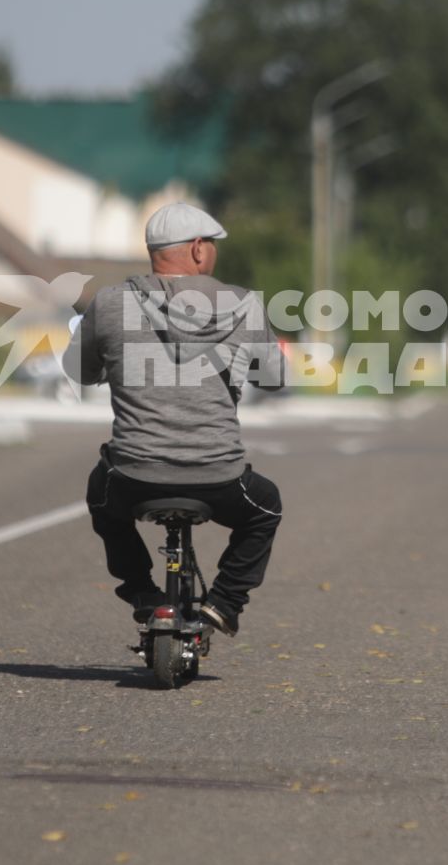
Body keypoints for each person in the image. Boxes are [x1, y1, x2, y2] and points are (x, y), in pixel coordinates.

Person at [63, 201, 286, 636]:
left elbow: (80, 373)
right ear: (199, 249)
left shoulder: (108, 303)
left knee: (101, 496)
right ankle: (224, 602)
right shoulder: (242, 304)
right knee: (265, 509)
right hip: (218, 476)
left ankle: (143, 592)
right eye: (213, 246)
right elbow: (275, 380)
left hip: (134, 474)